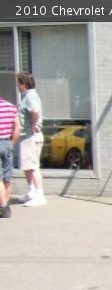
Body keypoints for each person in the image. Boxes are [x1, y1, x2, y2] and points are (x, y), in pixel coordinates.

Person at [16, 72, 46, 207]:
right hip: (26, 136)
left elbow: (35, 111)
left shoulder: (31, 95)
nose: (17, 86)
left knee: (33, 166)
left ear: (24, 84)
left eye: (18, 83)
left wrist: (34, 125)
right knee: (27, 166)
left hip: (31, 137)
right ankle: (32, 191)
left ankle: (40, 195)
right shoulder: (26, 96)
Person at [0, 93, 21, 218]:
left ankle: (3, 207)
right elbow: (18, 127)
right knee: (7, 177)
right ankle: (6, 205)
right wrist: (12, 143)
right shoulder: (11, 107)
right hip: (8, 142)